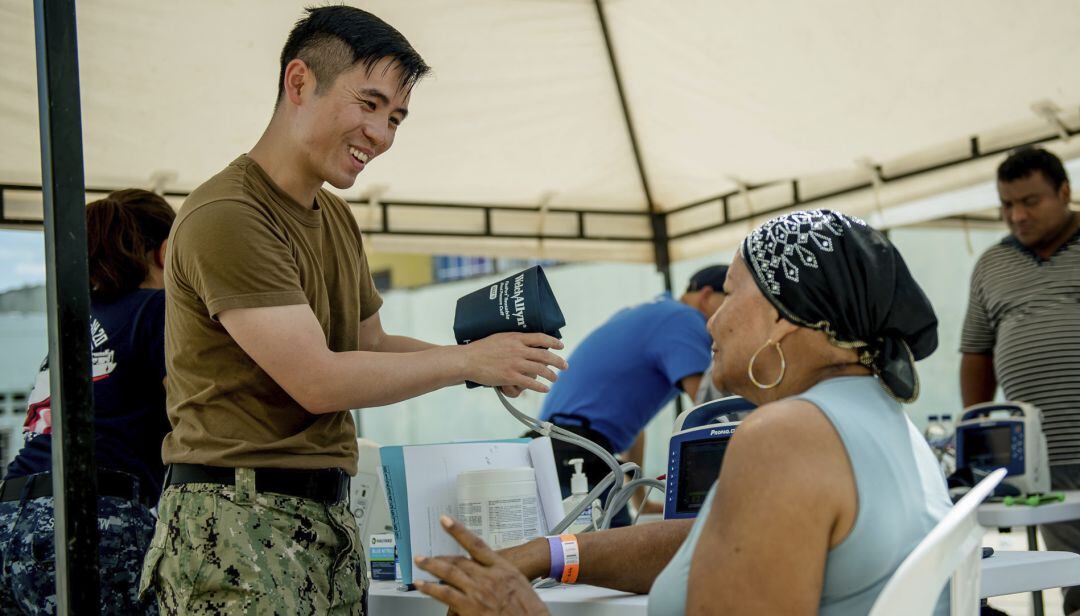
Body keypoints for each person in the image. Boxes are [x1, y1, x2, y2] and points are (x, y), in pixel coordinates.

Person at [137, 7, 566, 615]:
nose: (383, 136)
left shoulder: (334, 216)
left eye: (396, 118)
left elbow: (371, 346)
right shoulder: (228, 215)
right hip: (236, 522)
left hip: (325, 518)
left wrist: (486, 364)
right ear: (299, 83)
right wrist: (469, 359)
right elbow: (319, 380)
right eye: (369, 105)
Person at [414, 210, 952, 615]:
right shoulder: (878, 420)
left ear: (784, 317)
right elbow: (708, 540)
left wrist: (521, 610)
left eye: (732, 294)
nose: (711, 323)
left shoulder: (787, 435)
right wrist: (549, 553)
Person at [0, 189, 176, 614]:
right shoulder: (159, 310)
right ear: (168, 252)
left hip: (11, 519)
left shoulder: (78, 318)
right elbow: (198, 410)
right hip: (95, 521)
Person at [960, 146, 1080, 613]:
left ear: (1065, 192)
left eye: (1030, 201)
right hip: (1043, 465)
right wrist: (977, 433)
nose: (1017, 215)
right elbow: (976, 351)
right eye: (1007, 204)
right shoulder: (992, 264)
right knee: (1075, 580)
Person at [532, 265, 728, 524]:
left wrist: (637, 498)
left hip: (550, 443)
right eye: (731, 299)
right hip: (576, 449)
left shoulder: (652, 313)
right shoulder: (685, 319)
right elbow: (712, 413)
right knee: (614, 554)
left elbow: (633, 424)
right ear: (705, 295)